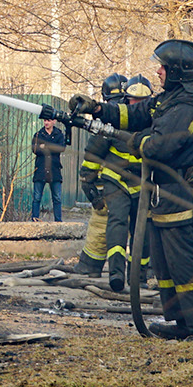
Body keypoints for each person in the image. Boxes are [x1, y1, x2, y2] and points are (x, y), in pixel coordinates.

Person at [71, 40, 193, 342]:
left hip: (178, 192)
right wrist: (99, 109)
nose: (158, 71)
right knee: (164, 262)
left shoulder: (188, 106)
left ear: (177, 72)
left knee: (184, 262)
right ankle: (184, 323)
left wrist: (135, 141)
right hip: (161, 193)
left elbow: (158, 146)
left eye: (163, 67)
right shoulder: (170, 99)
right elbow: (138, 114)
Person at [96, 76, 154, 291]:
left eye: (141, 102)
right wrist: (88, 181)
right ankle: (116, 275)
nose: (136, 106)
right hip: (116, 180)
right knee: (117, 224)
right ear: (125, 99)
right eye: (132, 101)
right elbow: (94, 151)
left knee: (143, 231)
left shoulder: (156, 123)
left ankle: (138, 278)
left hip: (143, 183)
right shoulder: (116, 120)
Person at [74, 74, 129, 273]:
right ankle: (141, 272)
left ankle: (90, 266)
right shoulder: (138, 118)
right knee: (139, 230)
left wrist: (92, 193)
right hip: (140, 188)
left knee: (100, 224)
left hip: (112, 189)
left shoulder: (106, 126)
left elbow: (91, 162)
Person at [30, 117, 69, 221]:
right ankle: (34, 220)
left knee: (57, 198)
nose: (46, 122)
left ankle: (58, 222)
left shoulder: (59, 134)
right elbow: (35, 149)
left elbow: (61, 148)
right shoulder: (38, 134)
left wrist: (45, 146)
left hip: (54, 170)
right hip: (40, 170)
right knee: (37, 198)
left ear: (54, 121)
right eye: (45, 120)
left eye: (48, 120)